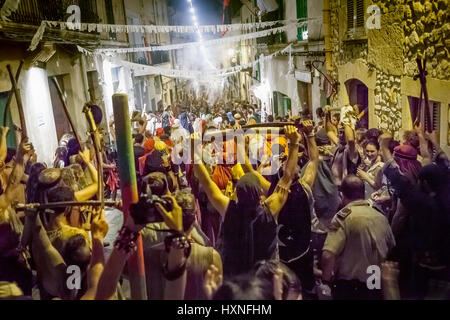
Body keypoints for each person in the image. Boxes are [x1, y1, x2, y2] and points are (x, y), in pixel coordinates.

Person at [193, 126, 301, 277]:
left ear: (236, 193)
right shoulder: (270, 209)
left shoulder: (228, 209)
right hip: (263, 279)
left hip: (235, 279)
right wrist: (294, 143)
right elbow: (287, 177)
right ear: (260, 195)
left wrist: (194, 151)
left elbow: (207, 184)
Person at [321, 174, 395, 300]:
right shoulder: (381, 217)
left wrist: (325, 282)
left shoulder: (343, 217)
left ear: (342, 195)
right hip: (375, 283)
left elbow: (328, 255)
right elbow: (391, 247)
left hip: (350, 288)